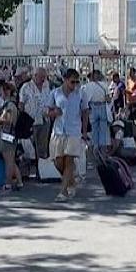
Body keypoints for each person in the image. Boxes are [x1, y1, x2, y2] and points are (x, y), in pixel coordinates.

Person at [46, 68, 88, 201]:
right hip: (58, 131)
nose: (75, 85)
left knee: (69, 160)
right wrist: (53, 113)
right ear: (65, 80)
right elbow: (46, 110)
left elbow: (85, 112)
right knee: (58, 161)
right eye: (72, 82)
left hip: (74, 131)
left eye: (77, 82)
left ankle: (63, 191)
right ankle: (71, 180)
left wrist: (85, 131)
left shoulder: (80, 93)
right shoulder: (55, 93)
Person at [0, 82, 22, 191]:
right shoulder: (10, 104)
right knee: (11, 161)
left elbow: (9, 120)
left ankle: (8, 184)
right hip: (9, 135)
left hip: (8, 135)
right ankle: (19, 182)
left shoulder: (9, 106)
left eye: (2, 90)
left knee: (9, 161)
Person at [82, 69, 112, 158]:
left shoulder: (87, 86)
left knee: (94, 130)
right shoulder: (104, 85)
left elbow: (85, 99)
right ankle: (102, 152)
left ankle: (95, 150)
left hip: (92, 107)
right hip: (102, 106)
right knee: (103, 130)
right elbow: (108, 99)